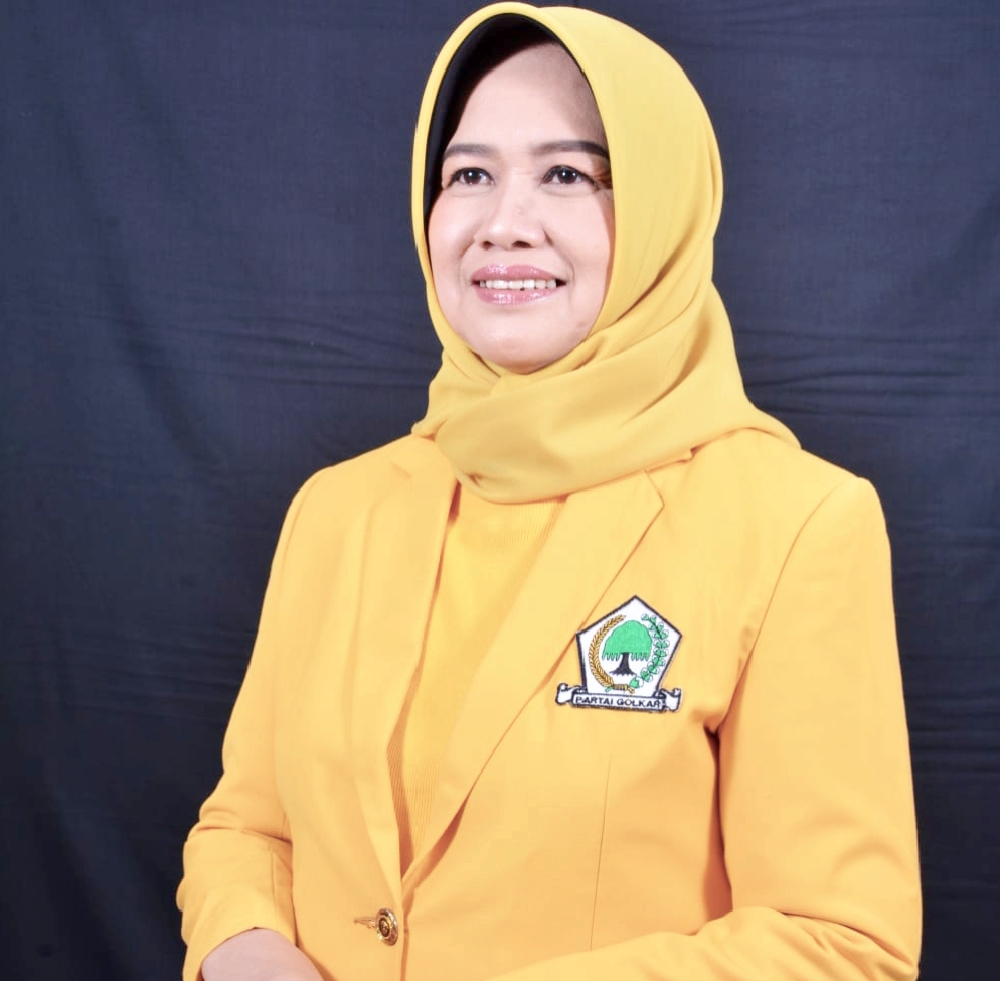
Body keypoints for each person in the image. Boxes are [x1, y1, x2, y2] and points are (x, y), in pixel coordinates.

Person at [177, 4, 922, 980]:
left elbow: (839, 942)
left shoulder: (797, 524)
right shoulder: (338, 509)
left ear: (663, 210)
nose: (502, 224)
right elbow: (248, 827)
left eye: (566, 174)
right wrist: (245, 946)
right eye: (468, 175)